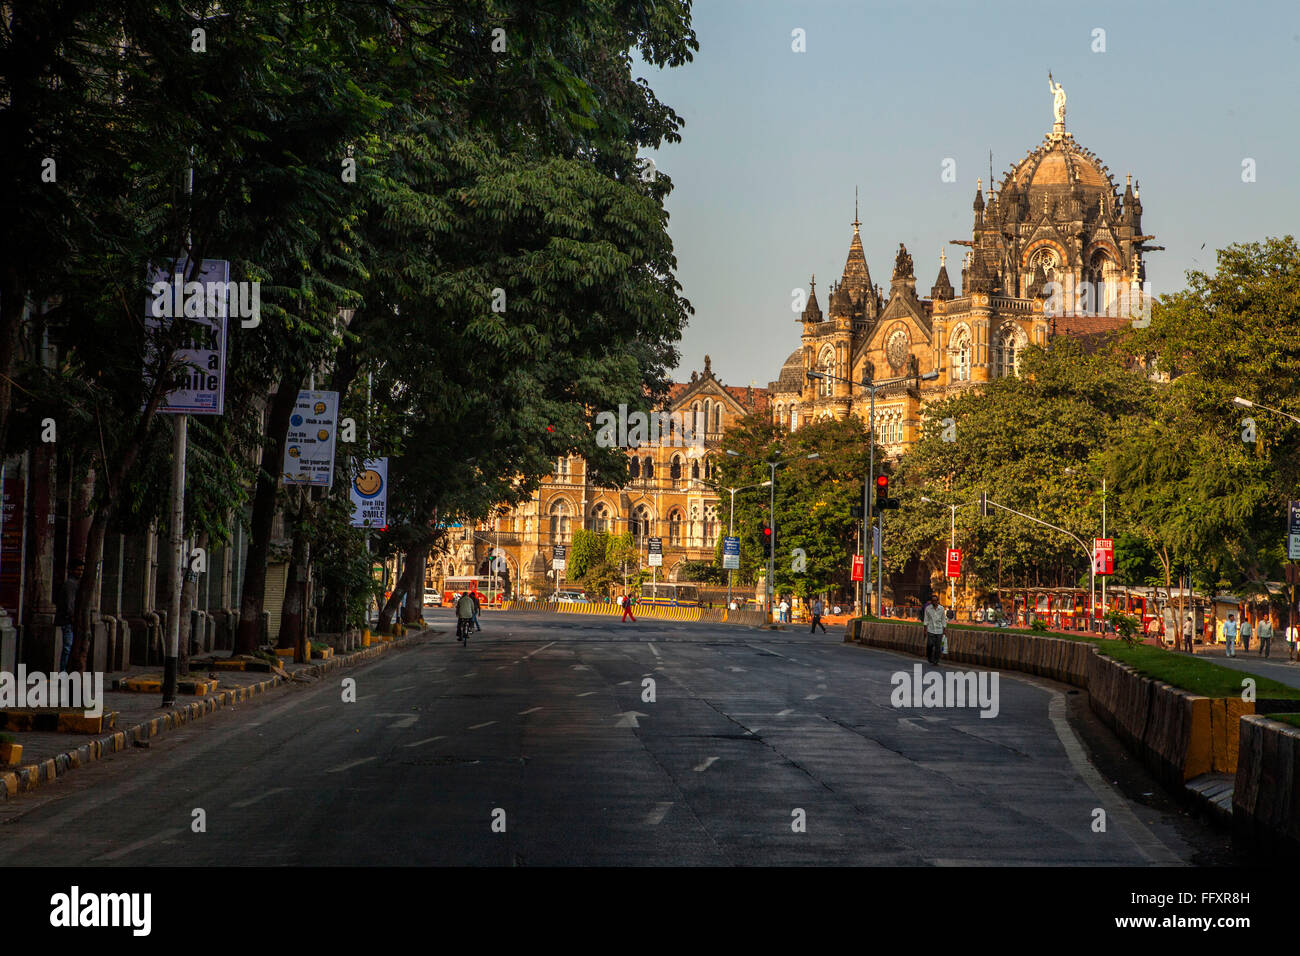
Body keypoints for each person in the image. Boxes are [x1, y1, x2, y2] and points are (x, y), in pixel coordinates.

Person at [56, 559, 84, 672]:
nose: (80, 572)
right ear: (72, 570)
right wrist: (73, 617)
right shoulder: (70, 584)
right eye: (78, 570)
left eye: (82, 570)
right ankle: (63, 673)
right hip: (67, 621)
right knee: (67, 647)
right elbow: (70, 604)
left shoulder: (75, 583)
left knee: (69, 647)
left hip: (69, 621)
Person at [923, 595, 946, 665]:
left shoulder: (941, 609)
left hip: (939, 630)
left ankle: (936, 660)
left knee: (938, 646)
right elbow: (926, 620)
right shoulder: (928, 609)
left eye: (935, 600)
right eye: (933, 601)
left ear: (938, 601)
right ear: (931, 601)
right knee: (930, 644)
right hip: (931, 630)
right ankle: (929, 657)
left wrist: (944, 629)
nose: (934, 602)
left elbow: (943, 619)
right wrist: (925, 630)